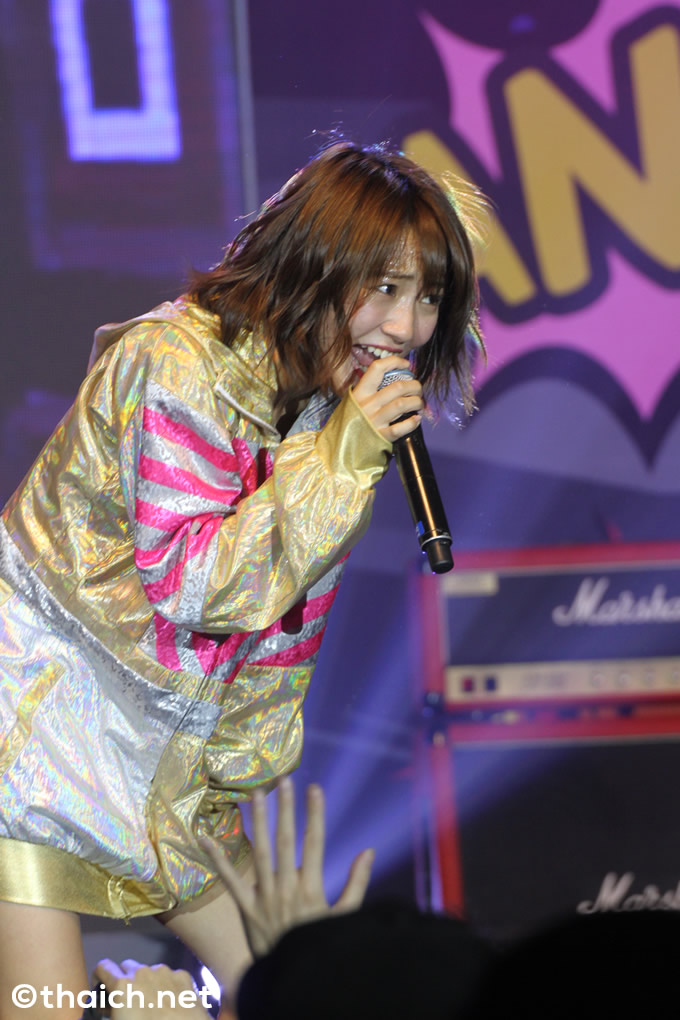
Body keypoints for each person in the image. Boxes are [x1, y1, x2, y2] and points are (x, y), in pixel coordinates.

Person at [0, 139, 483, 1017]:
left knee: (307, 990)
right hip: (36, 734)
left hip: (166, 769)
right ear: (316, 261)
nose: (408, 328)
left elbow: (276, 631)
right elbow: (194, 584)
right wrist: (341, 457)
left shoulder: (324, 413)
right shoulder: (177, 363)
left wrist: (228, 778)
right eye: (385, 288)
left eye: (428, 298)